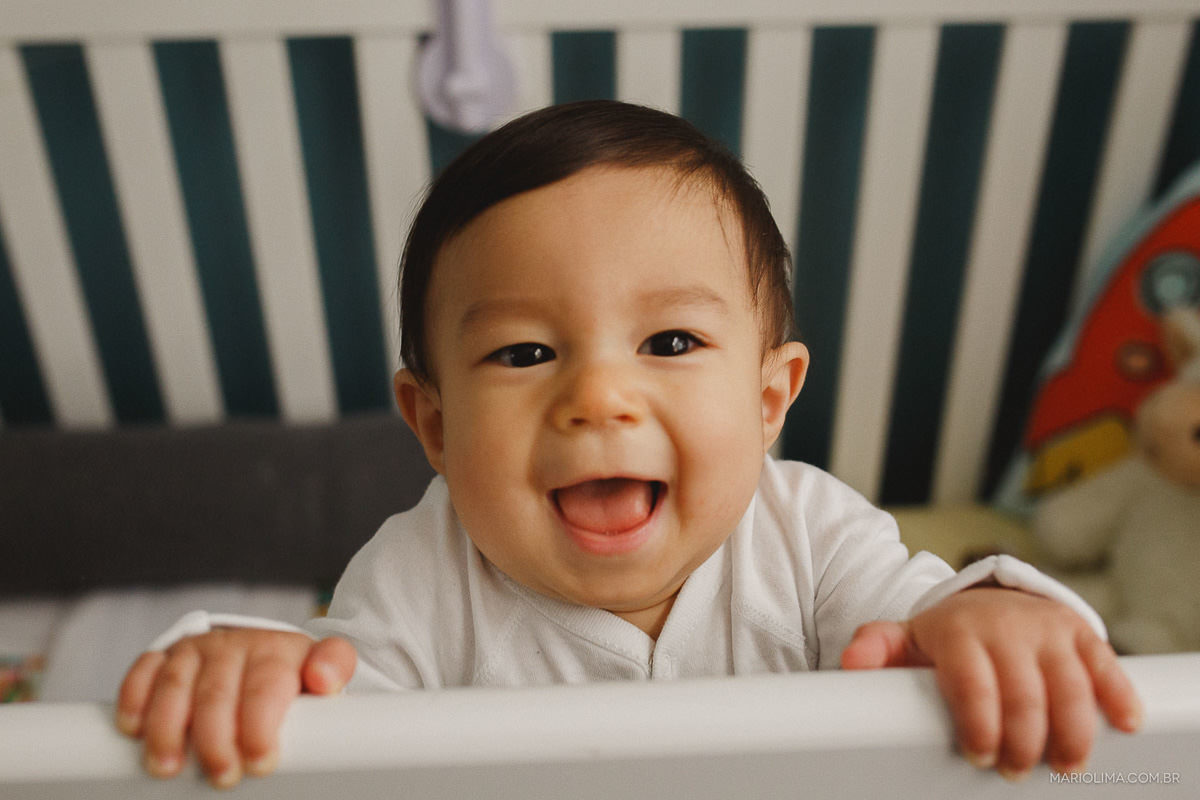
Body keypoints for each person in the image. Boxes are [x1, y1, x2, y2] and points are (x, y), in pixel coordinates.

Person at [115, 101, 1141, 789]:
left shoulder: (812, 532)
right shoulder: (417, 577)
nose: (599, 394)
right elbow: (342, 715)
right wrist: (257, 664)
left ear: (770, 393)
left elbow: (923, 614)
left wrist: (992, 612)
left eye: (672, 341)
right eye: (523, 351)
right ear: (432, 421)